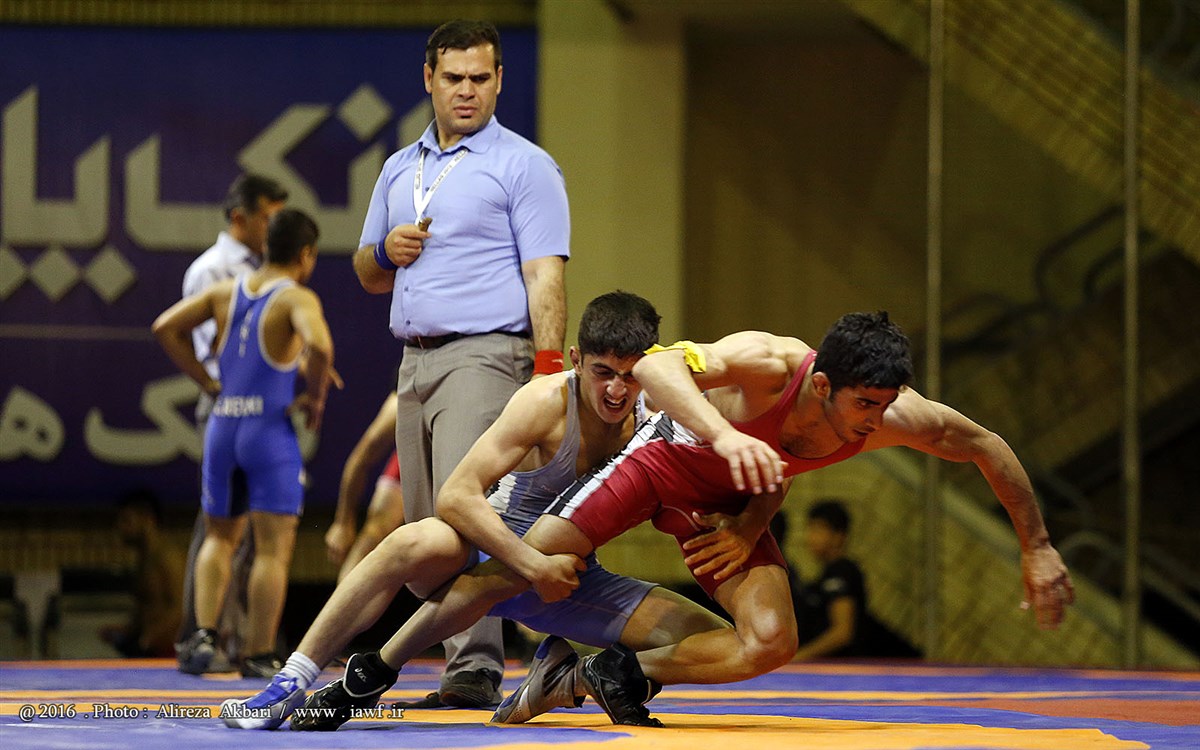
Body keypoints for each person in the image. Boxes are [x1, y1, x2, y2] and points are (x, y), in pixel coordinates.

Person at [305, 311, 1075, 728]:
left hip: (724, 508)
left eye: (885, 407)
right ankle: (373, 672)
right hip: (663, 461)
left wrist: (1036, 546)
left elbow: (983, 444)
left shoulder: (892, 415)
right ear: (821, 385)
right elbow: (657, 365)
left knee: (770, 641)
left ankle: (589, 678)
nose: (874, 425)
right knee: (521, 568)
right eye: (864, 406)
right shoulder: (770, 361)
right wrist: (723, 434)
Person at [220, 291, 761, 731]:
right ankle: (292, 678)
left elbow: (758, 445)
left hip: (564, 580)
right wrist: (531, 564)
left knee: (715, 639)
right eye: (603, 373)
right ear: (576, 360)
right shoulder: (547, 402)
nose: (617, 391)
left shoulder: (659, 411)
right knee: (413, 539)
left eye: (631, 374)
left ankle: (568, 678)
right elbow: (456, 497)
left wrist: (745, 524)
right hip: (483, 558)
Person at [350, 18, 571, 708]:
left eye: (480, 78)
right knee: (424, 535)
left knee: (462, 515)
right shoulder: (398, 167)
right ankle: (493, 655)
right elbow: (365, 273)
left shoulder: (524, 165)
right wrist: (384, 251)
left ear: (500, 79)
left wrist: (547, 376)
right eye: (454, 78)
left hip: (486, 356)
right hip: (413, 362)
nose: (467, 91)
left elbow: (545, 274)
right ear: (429, 79)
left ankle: (475, 667)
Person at [153, 208, 334, 679]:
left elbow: (164, 327)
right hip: (267, 433)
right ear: (306, 254)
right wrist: (315, 398)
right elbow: (320, 346)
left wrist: (206, 382)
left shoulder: (224, 292)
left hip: (223, 427)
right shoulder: (296, 297)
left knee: (219, 537)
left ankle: (202, 636)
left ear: (266, 247)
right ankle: (258, 652)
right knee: (272, 549)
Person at [176, 174, 288, 673]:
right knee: (220, 526)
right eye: (269, 218)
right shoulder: (213, 270)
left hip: (262, 410)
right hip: (227, 405)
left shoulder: (267, 269)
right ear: (240, 217)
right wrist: (211, 383)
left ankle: (243, 640)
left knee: (255, 532)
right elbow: (189, 337)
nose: (275, 228)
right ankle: (198, 637)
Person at [324, 393, 405, 581]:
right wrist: (343, 523)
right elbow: (362, 457)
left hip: (464, 458)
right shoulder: (405, 399)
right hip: (422, 458)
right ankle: (344, 597)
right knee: (375, 532)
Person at [100, 489, 184, 658]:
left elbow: (182, 609)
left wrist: (149, 638)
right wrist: (127, 631)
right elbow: (148, 608)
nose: (120, 527)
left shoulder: (169, 556)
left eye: (126, 520)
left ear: (147, 518)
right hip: (150, 650)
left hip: (168, 652)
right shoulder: (144, 559)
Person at [792, 500, 867, 660]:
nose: (811, 537)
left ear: (839, 535)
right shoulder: (828, 573)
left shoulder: (842, 571)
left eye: (819, 530)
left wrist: (798, 658)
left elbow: (842, 633)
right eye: (810, 528)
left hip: (841, 667)